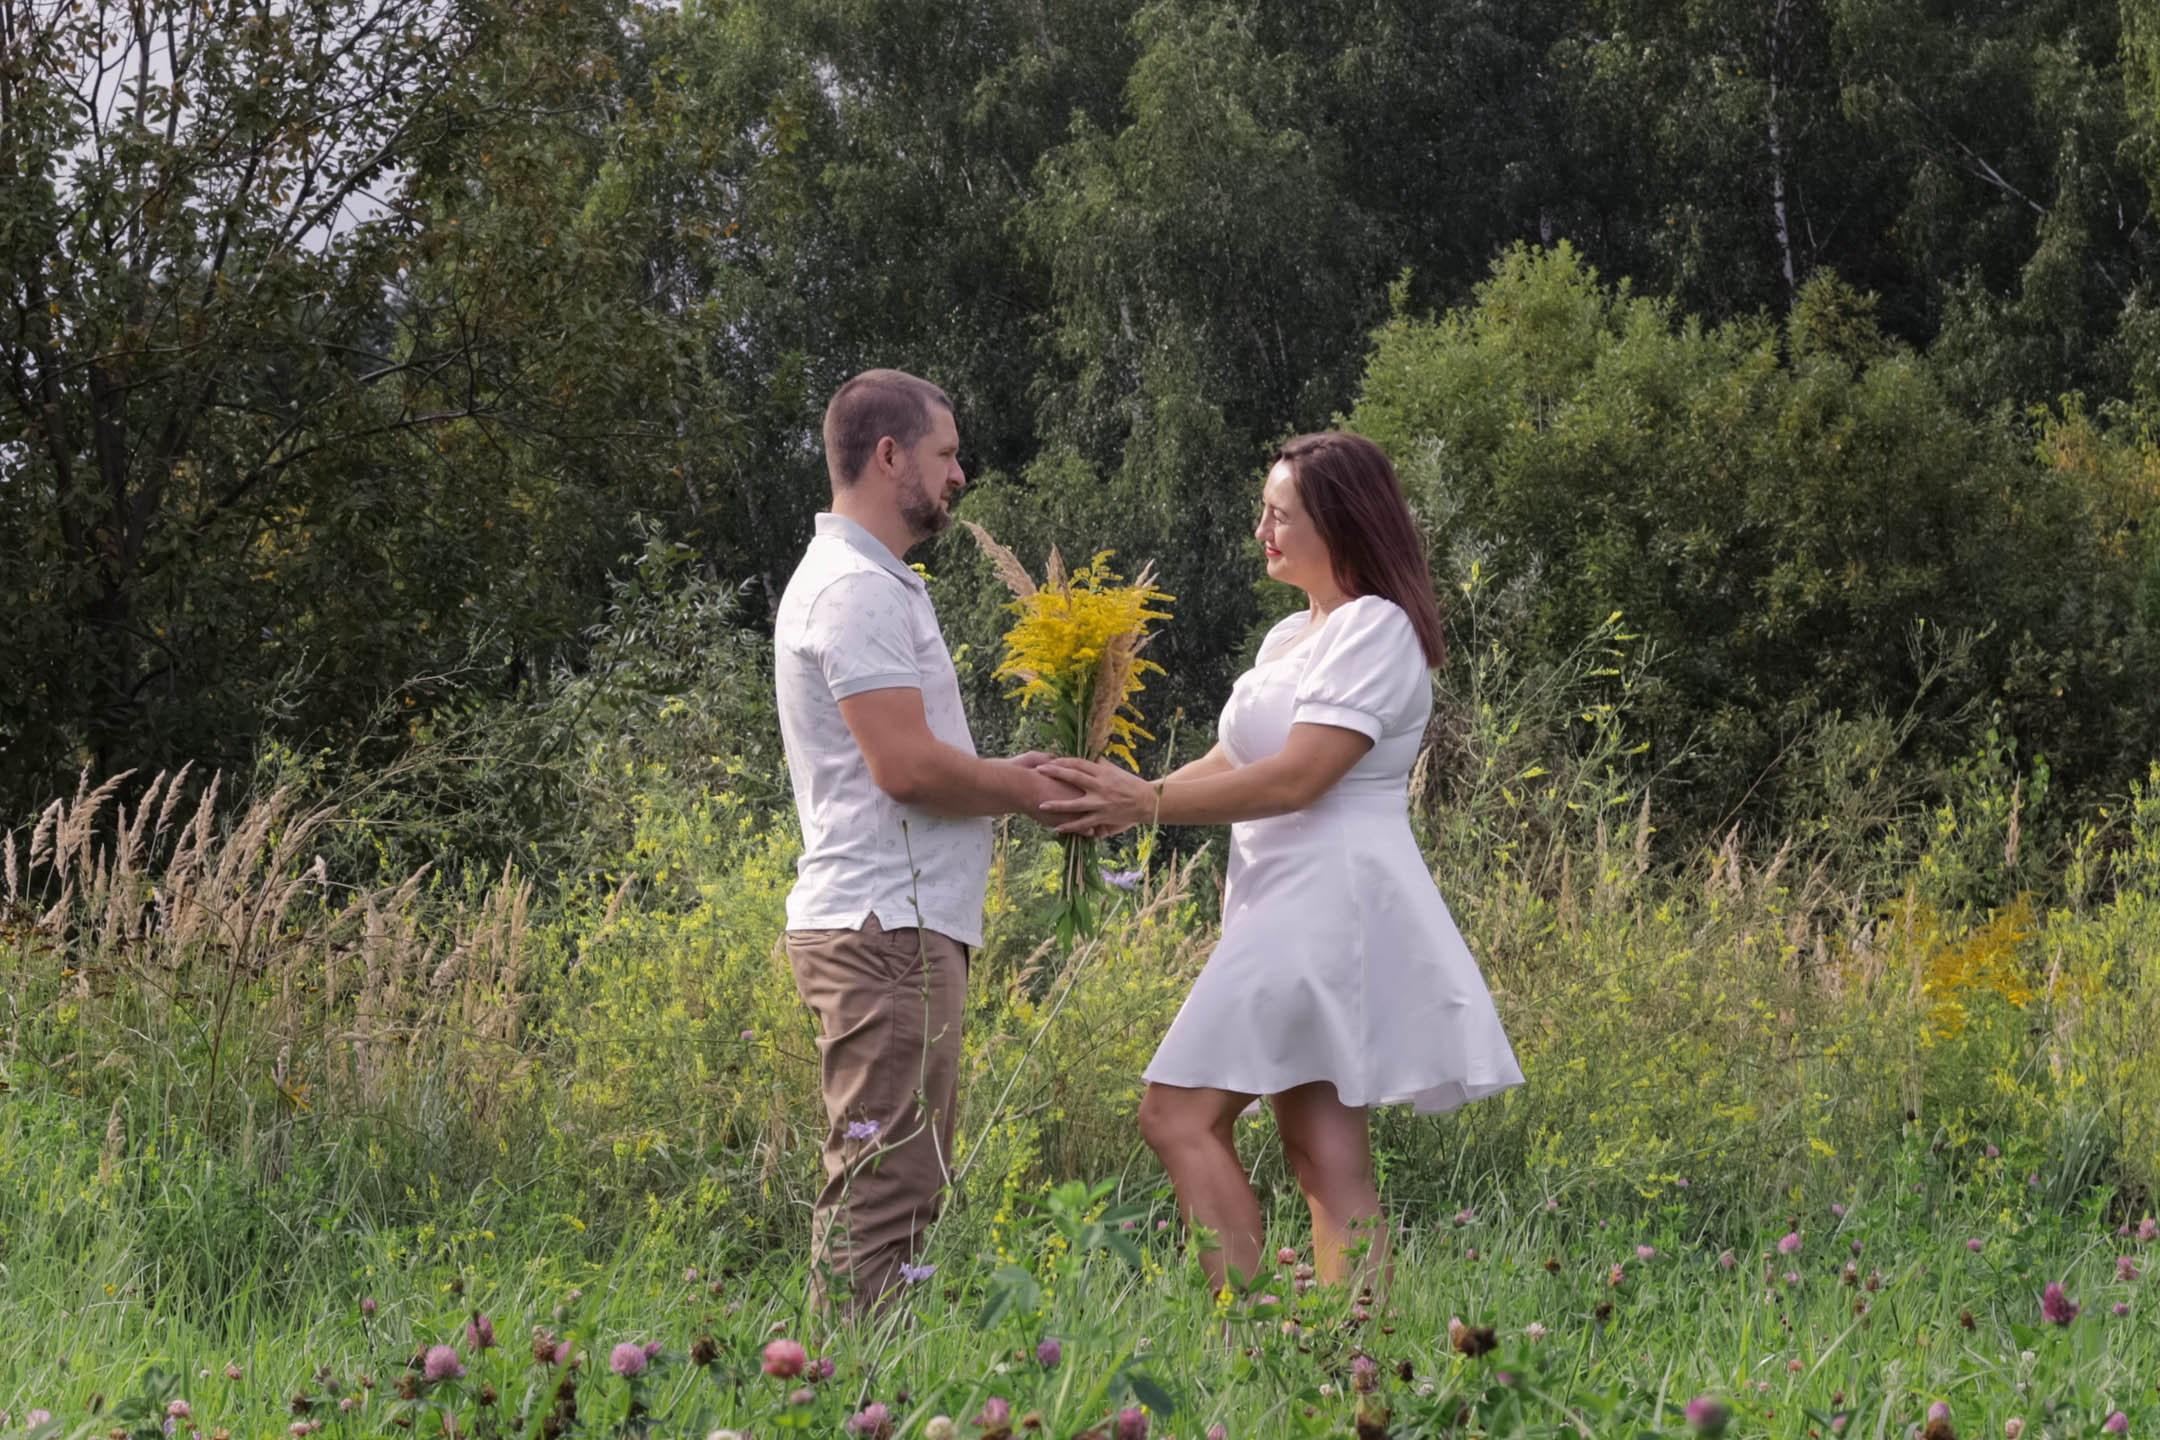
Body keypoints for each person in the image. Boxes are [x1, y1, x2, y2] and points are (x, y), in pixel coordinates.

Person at [1038, 431, 1524, 1297]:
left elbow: (1302, 776)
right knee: (1322, 1153)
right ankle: (1347, 1373)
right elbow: (1237, 760)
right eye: (1263, 510)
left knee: (1174, 1112)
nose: (1262, 528)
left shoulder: (1374, 627)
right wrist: (1121, 798)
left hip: (1329, 899)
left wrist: (1141, 803)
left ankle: (1249, 1337)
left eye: (1281, 513)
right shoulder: (1290, 637)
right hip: (1280, 897)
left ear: (1339, 521)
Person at [774, 368, 1073, 1318]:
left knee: (898, 1183)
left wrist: (1004, 772)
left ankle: (855, 1388)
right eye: (945, 454)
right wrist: (1032, 792)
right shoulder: (856, 590)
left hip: (895, 924)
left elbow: (916, 758)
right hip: (883, 927)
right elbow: (904, 767)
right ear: (888, 454)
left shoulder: (874, 582)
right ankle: (842, 1396)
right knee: (885, 1190)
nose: (960, 474)